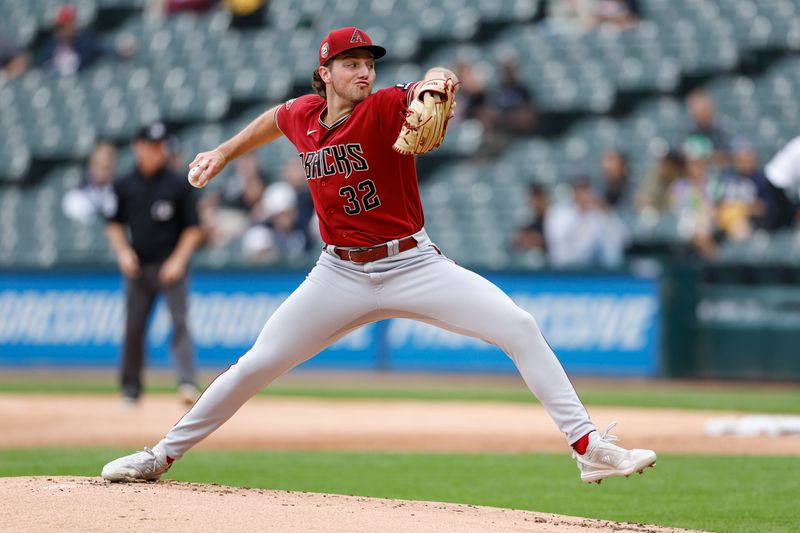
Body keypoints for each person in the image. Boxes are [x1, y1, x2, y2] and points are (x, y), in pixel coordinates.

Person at [102, 27, 656, 485]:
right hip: (337, 273)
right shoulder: (305, 116)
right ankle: (160, 456)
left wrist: (438, 86)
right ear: (325, 72)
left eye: (368, 62)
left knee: (518, 325)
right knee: (254, 366)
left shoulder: (389, 105)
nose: (364, 72)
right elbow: (275, 118)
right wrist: (223, 152)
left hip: (412, 264)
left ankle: (587, 447)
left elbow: (438, 79)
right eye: (351, 64)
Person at [104, 122, 204, 407]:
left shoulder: (177, 184)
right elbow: (113, 224)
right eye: (152, 146)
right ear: (138, 147)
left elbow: (193, 229)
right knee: (133, 327)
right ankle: (131, 389)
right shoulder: (124, 184)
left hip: (171, 265)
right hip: (138, 266)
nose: (158, 152)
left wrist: (178, 260)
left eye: (161, 146)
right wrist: (123, 252)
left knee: (180, 324)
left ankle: (187, 383)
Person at [545, 178, 627, 268]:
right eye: (581, 191)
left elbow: (624, 238)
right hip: (563, 270)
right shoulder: (559, 212)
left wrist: (606, 212)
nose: (584, 196)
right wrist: (580, 212)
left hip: (591, 272)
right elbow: (557, 238)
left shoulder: (596, 214)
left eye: (587, 191)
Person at [62, 141, 118, 224]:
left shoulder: (121, 193)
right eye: (98, 163)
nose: (102, 171)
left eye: (107, 166)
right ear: (91, 163)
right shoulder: (75, 197)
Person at [38, 5, 103, 76]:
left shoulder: (86, 43)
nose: (65, 30)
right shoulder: (50, 47)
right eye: (61, 27)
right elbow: (42, 65)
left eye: (69, 25)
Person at [512, 184, 549, 252]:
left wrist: (541, 240)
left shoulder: (558, 218)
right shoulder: (534, 223)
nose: (534, 204)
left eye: (537, 199)